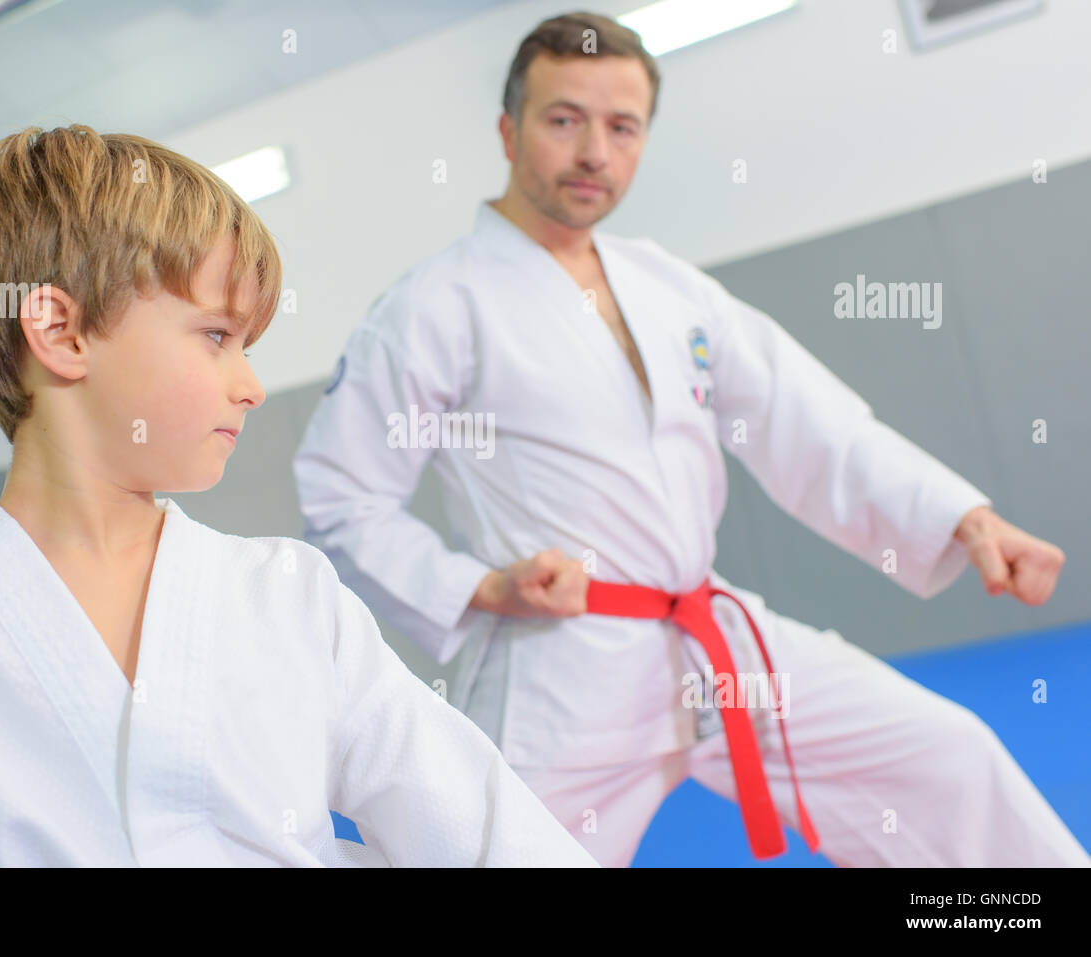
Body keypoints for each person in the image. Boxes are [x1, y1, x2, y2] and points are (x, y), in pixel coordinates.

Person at [292, 12, 1088, 867]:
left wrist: (961, 518)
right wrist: (482, 584)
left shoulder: (667, 285)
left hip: (714, 635)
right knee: (486, 856)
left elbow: (808, 421)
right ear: (507, 130)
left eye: (622, 126)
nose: (594, 150)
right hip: (562, 666)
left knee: (947, 761)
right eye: (564, 119)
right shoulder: (434, 306)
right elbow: (341, 498)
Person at [0, 125, 598, 868]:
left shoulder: (288, 597)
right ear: (62, 334)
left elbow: (486, 830)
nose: (249, 386)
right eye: (217, 336)